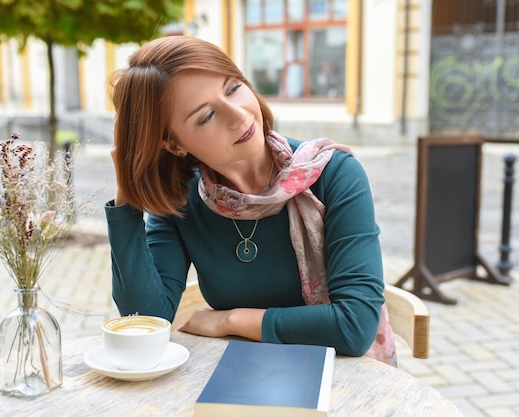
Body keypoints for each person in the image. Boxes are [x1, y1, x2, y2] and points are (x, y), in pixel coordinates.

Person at [106, 36, 396, 364]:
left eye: (232, 88)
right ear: (173, 144)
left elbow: (355, 327)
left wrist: (231, 320)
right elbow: (147, 319)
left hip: (345, 380)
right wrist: (127, 199)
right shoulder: (181, 200)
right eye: (205, 116)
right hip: (241, 375)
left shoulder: (333, 174)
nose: (238, 114)